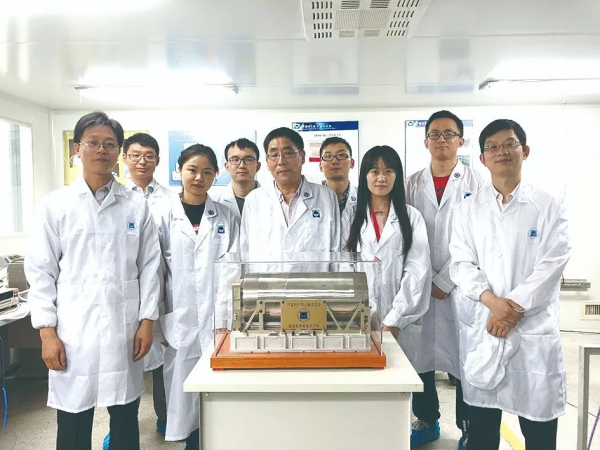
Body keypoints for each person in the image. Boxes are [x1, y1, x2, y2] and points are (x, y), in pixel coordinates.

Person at [25, 111, 161, 450]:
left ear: (118, 152)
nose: (102, 150)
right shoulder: (55, 205)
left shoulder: (136, 206)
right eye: (93, 143)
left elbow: (150, 266)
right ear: (77, 148)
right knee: (73, 418)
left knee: (125, 417)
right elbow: (41, 271)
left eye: (110, 144)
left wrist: (147, 322)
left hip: (123, 330)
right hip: (73, 331)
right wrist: (47, 332)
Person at [449, 119, 571, 450]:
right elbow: (461, 263)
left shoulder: (548, 203)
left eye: (509, 144)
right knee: (482, 431)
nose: (501, 151)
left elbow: (554, 262)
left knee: (539, 430)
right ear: (482, 158)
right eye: (492, 147)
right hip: (486, 324)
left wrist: (512, 308)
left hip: (531, 329)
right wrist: (493, 302)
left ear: (525, 151)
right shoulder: (468, 209)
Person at [405, 110, 486, 449]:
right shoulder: (411, 183)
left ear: (460, 140)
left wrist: (447, 278)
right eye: (435, 134)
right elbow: (405, 233)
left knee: (465, 359)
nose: (442, 140)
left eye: (449, 134)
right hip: (421, 284)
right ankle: (427, 420)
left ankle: (469, 428)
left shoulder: (477, 182)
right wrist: (425, 278)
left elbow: (480, 236)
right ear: (425, 141)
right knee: (420, 355)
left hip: (462, 287)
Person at [158, 144, 239, 450]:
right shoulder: (163, 216)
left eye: (207, 172)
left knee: (219, 394)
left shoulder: (226, 216)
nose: (198, 178)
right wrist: (157, 319)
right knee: (184, 390)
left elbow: (235, 267)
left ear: (216, 175)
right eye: (192, 170)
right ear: (179, 171)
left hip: (219, 317)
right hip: (179, 316)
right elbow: (155, 271)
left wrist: (228, 314)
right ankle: (191, 444)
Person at [342, 145, 431, 373]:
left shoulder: (411, 217)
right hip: (359, 318)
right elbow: (345, 268)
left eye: (388, 171)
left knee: (400, 381)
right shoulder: (351, 215)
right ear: (364, 176)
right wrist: (358, 313)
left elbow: (417, 270)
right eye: (374, 171)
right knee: (365, 382)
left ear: (397, 176)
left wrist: (395, 319)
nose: (381, 178)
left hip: (401, 321)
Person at [122, 132, 171, 435]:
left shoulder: (171, 198)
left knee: (163, 361)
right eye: (136, 155)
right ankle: (122, 423)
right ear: (125, 158)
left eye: (149, 156)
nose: (142, 161)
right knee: (125, 364)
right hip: (125, 293)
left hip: (162, 290)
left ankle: (165, 418)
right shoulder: (116, 197)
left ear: (158, 160)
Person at [241, 127, 340, 255]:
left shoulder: (326, 197)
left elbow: (336, 250)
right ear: (267, 162)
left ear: (302, 157)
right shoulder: (254, 200)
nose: (281, 161)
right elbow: (245, 251)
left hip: (315, 269)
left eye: (288, 153)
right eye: (274, 155)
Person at [210, 138, 261, 220]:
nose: (242, 165)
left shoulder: (271, 200)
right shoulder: (213, 200)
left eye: (248, 160)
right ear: (227, 166)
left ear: (257, 166)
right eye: (235, 160)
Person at [319, 136, 357, 213]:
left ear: (352, 163)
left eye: (341, 155)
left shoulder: (365, 198)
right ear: (320, 166)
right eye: (328, 156)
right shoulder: (310, 200)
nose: (334, 161)